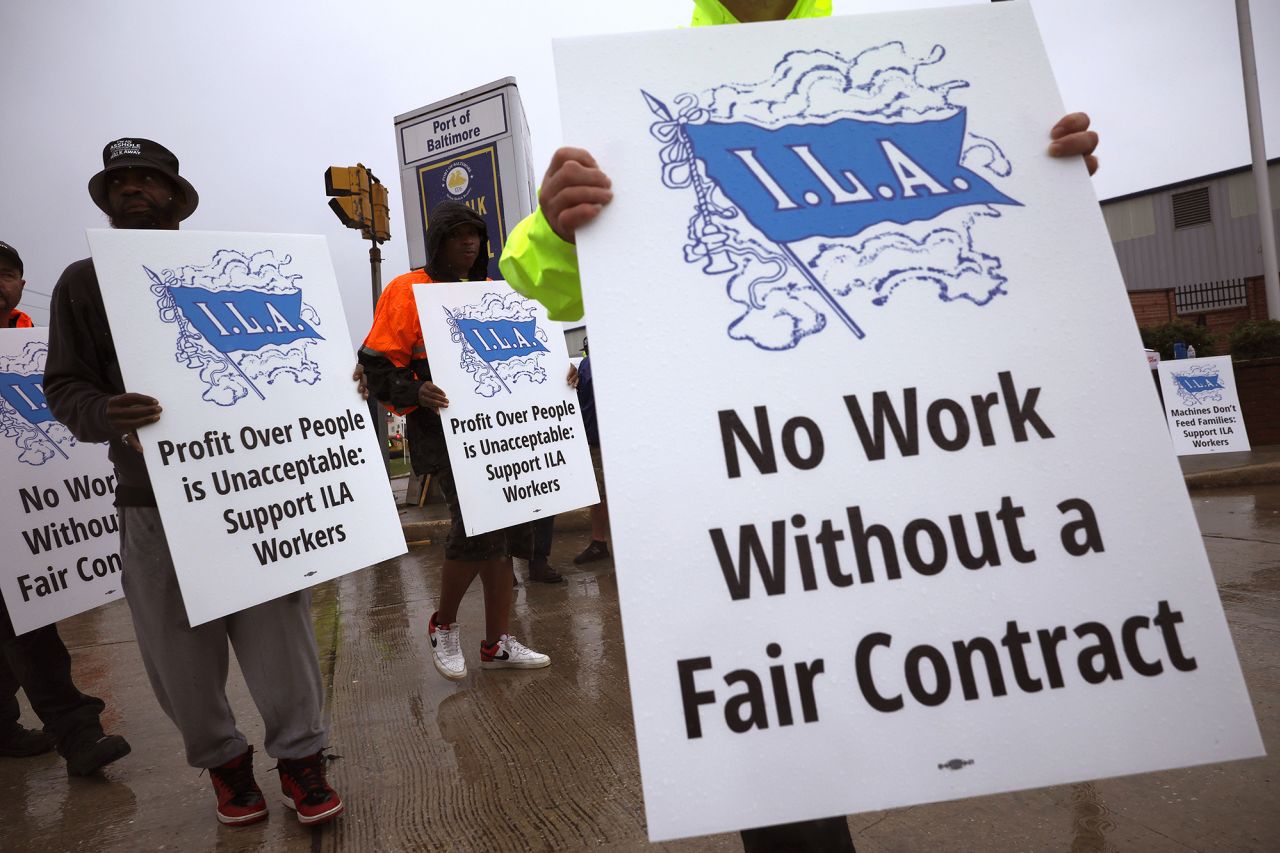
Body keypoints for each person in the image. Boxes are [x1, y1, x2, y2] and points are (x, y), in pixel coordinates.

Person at [499, 2, 1102, 850]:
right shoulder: (639, 89)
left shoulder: (897, 67)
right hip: (750, 510)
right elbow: (532, 287)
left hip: (916, 480)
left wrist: (1054, 183)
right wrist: (559, 228)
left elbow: (1009, 271)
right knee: (783, 750)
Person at [44, 139, 343, 828]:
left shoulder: (229, 271)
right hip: (150, 501)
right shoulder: (80, 284)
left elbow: (303, 360)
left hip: (250, 490)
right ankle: (225, 765)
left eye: (149, 179)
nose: (134, 189)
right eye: (121, 181)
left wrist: (336, 385)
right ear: (107, 197)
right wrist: (103, 414)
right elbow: (64, 386)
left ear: (176, 198)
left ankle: (301, 758)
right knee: (176, 653)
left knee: (281, 636)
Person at [359, 200, 553, 682]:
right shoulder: (408, 289)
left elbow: (533, 354)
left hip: (505, 432)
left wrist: (561, 373)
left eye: (474, 233)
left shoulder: (495, 291)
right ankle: (442, 624)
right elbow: (377, 365)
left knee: (504, 531)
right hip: (444, 430)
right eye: (456, 234)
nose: (468, 242)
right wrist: (414, 391)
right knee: (475, 530)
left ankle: (496, 643)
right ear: (437, 241)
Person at [0, 240, 132, 775]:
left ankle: (34, 729)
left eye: (8, 274)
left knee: (22, 623)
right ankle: (76, 733)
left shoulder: (35, 341)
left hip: (19, 520)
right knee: (22, 630)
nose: (0, 284)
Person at [572, 340, 610, 566]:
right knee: (603, 494)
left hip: (597, 440)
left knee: (600, 496)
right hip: (611, 440)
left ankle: (599, 542)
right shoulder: (588, 366)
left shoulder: (586, 366)